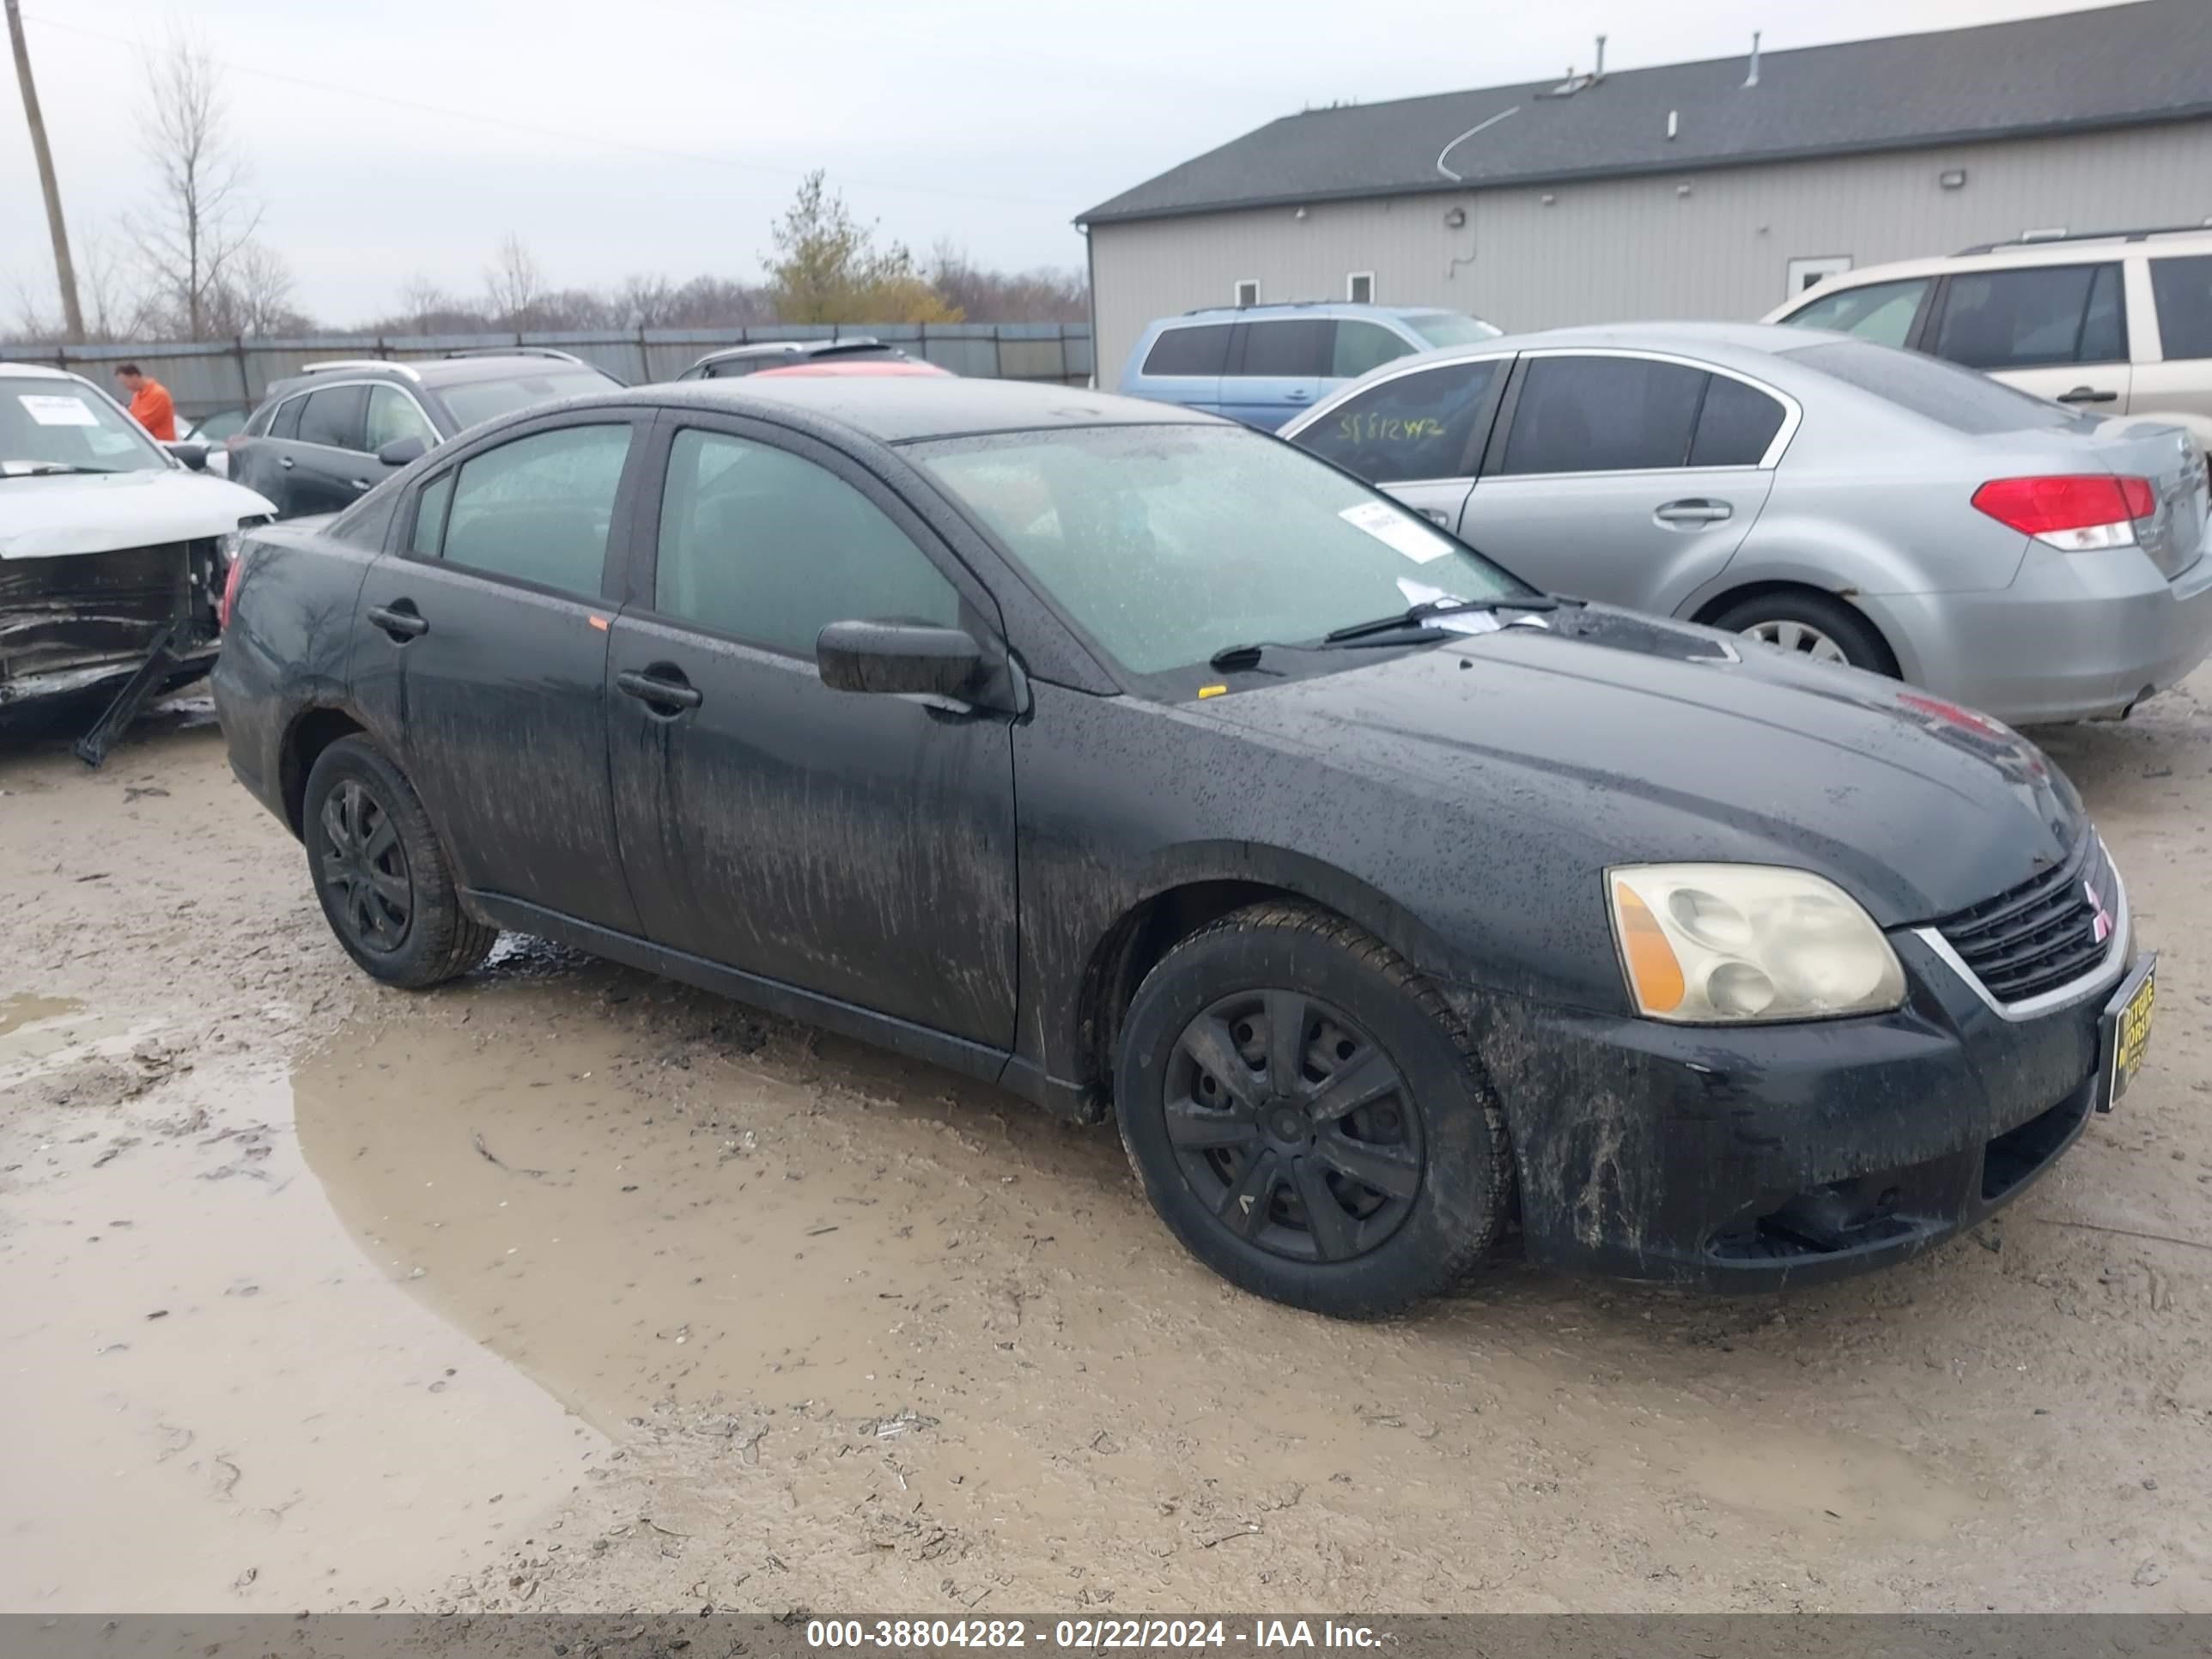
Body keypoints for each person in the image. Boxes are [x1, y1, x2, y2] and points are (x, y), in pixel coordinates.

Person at [116, 364, 176, 442]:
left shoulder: (158, 394)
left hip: (162, 447)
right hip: (149, 446)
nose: (126, 387)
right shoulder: (137, 396)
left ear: (134, 376)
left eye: (125, 382)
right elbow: (132, 418)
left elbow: (142, 425)